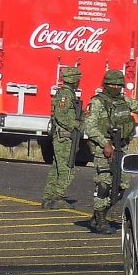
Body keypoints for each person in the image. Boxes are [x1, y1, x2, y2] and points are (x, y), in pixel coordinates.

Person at [82, 67, 138, 233]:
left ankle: (98, 215)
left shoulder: (124, 102)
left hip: (122, 149)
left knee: (121, 186)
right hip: (103, 151)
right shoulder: (97, 103)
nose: (115, 87)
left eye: (118, 85)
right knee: (104, 185)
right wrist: (105, 143)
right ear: (105, 84)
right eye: (111, 84)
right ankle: (100, 221)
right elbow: (90, 126)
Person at [41, 63, 84, 208]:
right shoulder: (66, 94)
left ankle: (49, 197)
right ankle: (57, 197)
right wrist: (77, 125)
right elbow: (61, 115)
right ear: (74, 80)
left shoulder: (66, 93)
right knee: (67, 169)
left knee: (57, 168)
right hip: (64, 137)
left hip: (62, 136)